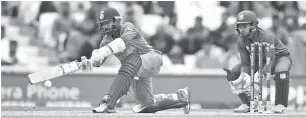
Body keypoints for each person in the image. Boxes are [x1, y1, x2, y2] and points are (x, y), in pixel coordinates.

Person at [88, 7, 191, 114]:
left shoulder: (127, 27)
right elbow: (98, 63)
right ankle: (181, 96)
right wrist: (89, 61)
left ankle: (108, 102)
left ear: (117, 20)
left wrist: (104, 51)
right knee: (148, 104)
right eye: (102, 24)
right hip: (134, 70)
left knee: (131, 61)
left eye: (107, 23)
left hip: (152, 58)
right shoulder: (105, 41)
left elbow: (120, 43)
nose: (105, 26)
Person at [223, 10, 292, 113]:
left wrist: (259, 75)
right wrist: (241, 77)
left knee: (280, 70)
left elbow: (271, 60)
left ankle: (280, 104)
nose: (241, 30)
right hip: (258, 60)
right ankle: (247, 104)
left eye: (244, 26)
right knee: (234, 72)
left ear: (253, 25)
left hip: (279, 58)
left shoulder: (267, 35)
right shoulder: (240, 41)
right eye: (239, 26)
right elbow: (245, 63)